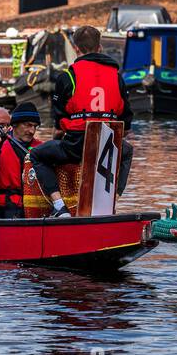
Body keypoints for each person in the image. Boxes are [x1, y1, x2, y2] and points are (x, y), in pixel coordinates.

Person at [30, 25, 134, 218]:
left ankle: (60, 206)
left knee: (37, 154)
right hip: (108, 145)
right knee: (127, 151)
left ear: (76, 48)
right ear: (100, 47)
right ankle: (114, 200)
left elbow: (59, 120)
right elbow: (126, 122)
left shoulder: (68, 76)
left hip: (76, 145)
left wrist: (60, 134)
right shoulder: (117, 77)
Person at [0, 104, 42, 218]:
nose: (32, 131)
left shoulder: (41, 147)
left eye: (35, 126)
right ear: (14, 125)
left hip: (28, 202)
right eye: (27, 125)